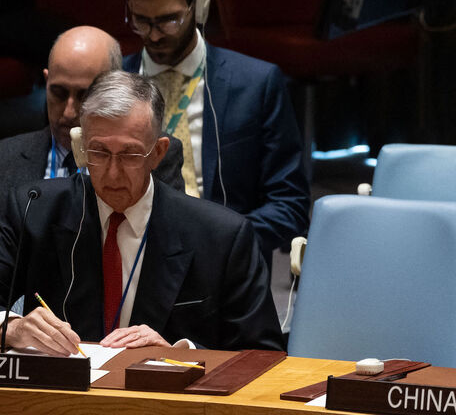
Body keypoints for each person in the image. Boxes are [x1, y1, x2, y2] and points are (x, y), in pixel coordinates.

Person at [0, 71, 283, 354]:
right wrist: (11, 327)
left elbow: (264, 355)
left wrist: (180, 355)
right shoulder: (33, 209)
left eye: (130, 155)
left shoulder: (221, 237)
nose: (112, 173)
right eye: (98, 152)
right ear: (81, 148)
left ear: (158, 153)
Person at [120, 0, 309, 255]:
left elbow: (290, 203)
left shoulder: (257, 84)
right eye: (141, 21)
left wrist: (224, 242)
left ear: (199, 5)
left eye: (168, 20)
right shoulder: (114, 81)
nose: (152, 36)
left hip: (225, 267)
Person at [0, 26, 182, 192]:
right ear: (47, 81)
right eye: (58, 93)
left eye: (84, 96)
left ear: (116, 89)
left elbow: (168, 227)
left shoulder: (153, 155)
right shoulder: (6, 157)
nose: (68, 113)